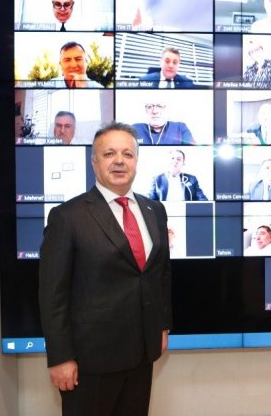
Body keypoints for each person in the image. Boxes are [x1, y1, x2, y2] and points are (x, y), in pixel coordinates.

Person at [38, 123, 172, 416]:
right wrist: (60, 357)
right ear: (94, 162)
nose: (119, 161)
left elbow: (160, 275)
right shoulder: (67, 217)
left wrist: (162, 326)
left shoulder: (155, 210)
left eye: (127, 154)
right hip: (89, 362)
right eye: (109, 153)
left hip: (142, 355)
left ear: (136, 161)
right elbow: (52, 295)